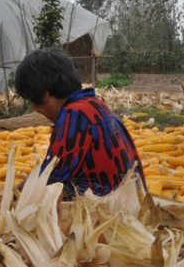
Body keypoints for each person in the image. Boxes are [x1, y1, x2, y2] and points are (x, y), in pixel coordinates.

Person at [14, 48, 146, 200]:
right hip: (130, 198)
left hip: (112, 206)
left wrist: (14, 196)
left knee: (51, 193)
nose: (35, 110)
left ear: (44, 94)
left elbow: (50, 175)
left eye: (33, 103)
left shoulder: (75, 114)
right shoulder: (94, 104)